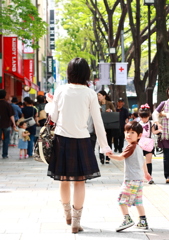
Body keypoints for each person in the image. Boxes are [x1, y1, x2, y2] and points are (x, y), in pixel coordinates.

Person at [45, 57, 112, 234]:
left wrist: (50, 103)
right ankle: (76, 222)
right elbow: (98, 122)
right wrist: (105, 146)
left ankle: (67, 215)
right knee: (80, 182)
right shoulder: (90, 93)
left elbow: (53, 117)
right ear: (86, 74)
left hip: (61, 139)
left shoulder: (61, 90)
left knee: (64, 179)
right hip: (82, 139)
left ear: (69, 72)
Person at [107, 121, 151, 232]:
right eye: (127, 132)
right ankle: (142, 221)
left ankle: (127, 219)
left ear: (139, 135)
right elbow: (143, 161)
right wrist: (146, 173)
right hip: (139, 179)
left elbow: (121, 158)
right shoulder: (139, 147)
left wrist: (110, 155)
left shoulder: (131, 146)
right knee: (138, 201)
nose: (128, 135)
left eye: (132, 132)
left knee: (122, 199)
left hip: (131, 179)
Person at [138, 104, 162, 184]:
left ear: (149, 116)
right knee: (140, 162)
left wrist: (159, 130)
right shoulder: (137, 124)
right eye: (142, 117)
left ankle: (149, 177)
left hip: (148, 144)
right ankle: (141, 176)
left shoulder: (151, 123)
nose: (144, 119)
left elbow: (153, 132)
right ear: (140, 116)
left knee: (149, 161)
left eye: (146, 117)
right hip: (140, 144)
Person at [152, 87, 169, 184]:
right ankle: (167, 176)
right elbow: (155, 114)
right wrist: (157, 122)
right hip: (166, 134)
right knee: (167, 156)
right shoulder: (164, 103)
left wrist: (164, 114)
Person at [97, 90, 116, 164]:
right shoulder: (96, 103)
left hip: (109, 124)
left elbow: (114, 112)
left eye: (99, 95)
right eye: (98, 95)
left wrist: (110, 110)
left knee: (108, 141)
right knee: (100, 141)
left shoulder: (109, 103)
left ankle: (108, 157)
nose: (98, 97)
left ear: (104, 96)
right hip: (100, 124)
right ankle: (101, 156)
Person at [0, 90, 16, 158]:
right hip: (6, 125)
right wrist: (14, 124)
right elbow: (11, 116)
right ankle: (4, 154)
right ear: (5, 96)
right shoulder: (7, 105)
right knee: (6, 140)